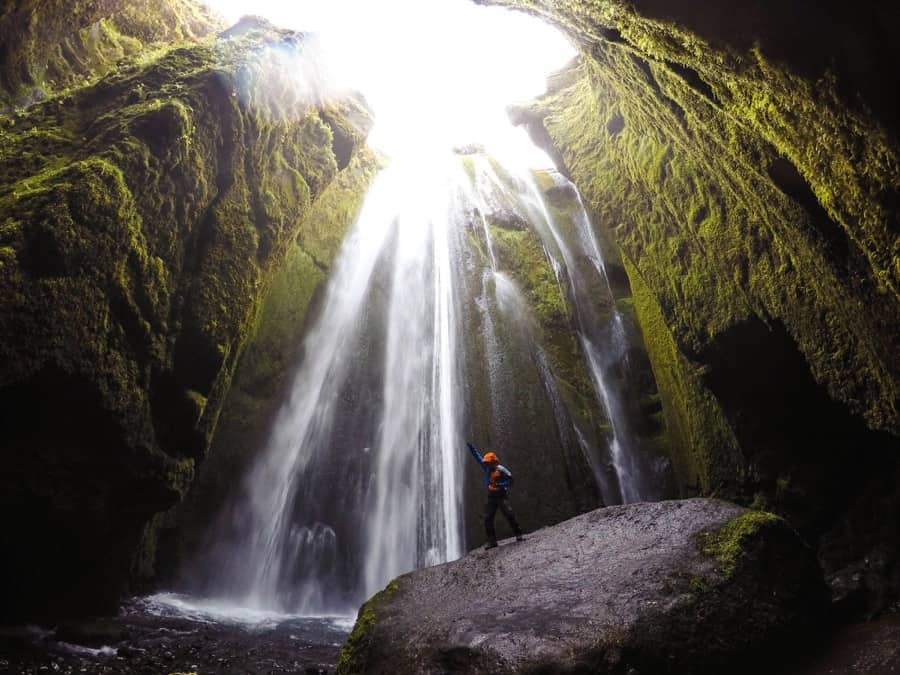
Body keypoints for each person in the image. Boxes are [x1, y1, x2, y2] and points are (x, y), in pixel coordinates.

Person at [466, 441, 524, 549]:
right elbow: (478, 457)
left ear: (493, 462)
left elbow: (511, 481)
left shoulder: (501, 469)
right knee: (488, 519)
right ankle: (492, 542)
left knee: (509, 514)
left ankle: (519, 534)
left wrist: (500, 484)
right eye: (486, 463)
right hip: (491, 497)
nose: (486, 464)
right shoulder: (487, 468)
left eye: (488, 462)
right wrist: (471, 448)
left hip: (501, 495)